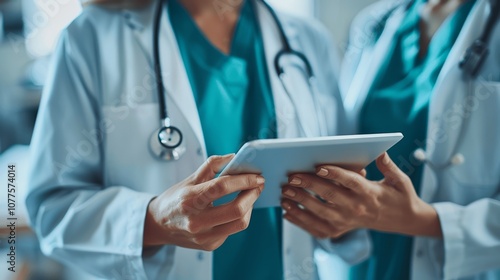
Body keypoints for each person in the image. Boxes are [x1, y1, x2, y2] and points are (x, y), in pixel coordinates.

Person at [25, 0, 347, 279]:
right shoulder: (91, 38)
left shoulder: (308, 40)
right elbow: (51, 209)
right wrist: (153, 221)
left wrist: (342, 213)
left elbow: (345, 188)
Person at [282, 0, 500, 279]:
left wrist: (425, 222)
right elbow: (346, 144)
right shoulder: (376, 23)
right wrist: (336, 215)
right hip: (365, 263)